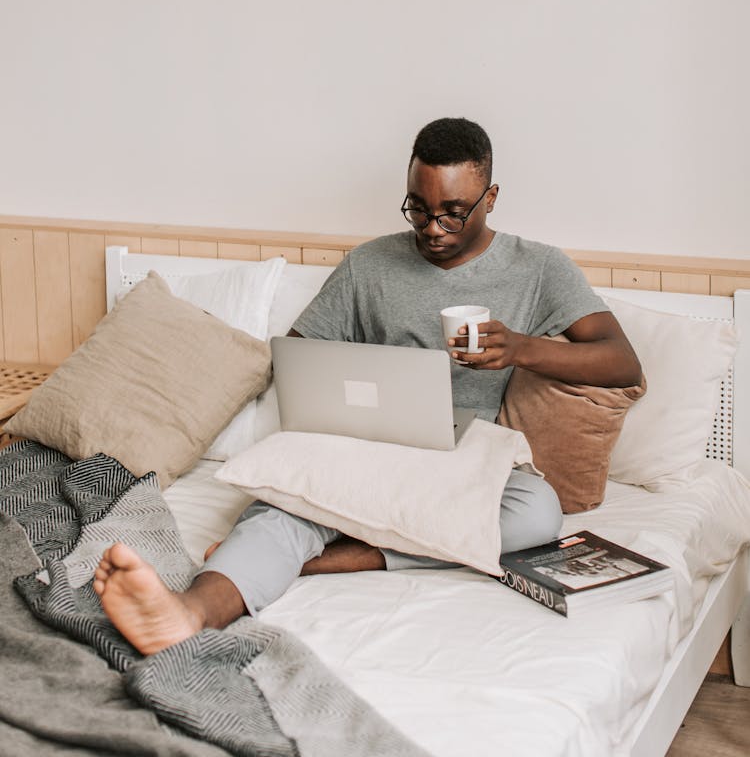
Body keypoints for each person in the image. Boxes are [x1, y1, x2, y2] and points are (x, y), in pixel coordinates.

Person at [93, 118, 641, 655]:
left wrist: (522, 349)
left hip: (463, 459)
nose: (432, 228)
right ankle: (187, 613)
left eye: (453, 213)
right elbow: (299, 353)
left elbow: (621, 363)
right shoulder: (369, 265)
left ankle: (328, 558)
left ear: (491, 197)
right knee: (283, 503)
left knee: (536, 515)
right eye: (419, 209)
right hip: (368, 445)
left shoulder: (540, 269)